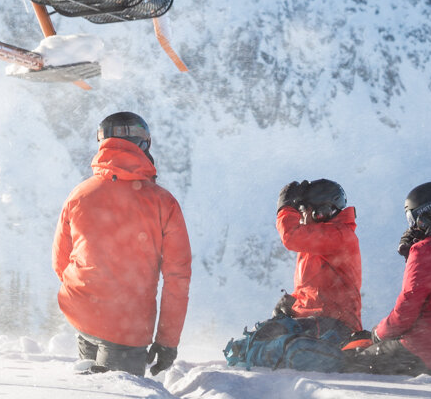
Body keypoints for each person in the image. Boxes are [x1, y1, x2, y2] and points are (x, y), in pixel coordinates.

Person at [52, 111, 191, 377]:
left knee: (90, 389)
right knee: (117, 390)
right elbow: (177, 277)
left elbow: (60, 260)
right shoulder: (163, 203)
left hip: (82, 313)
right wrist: (167, 341)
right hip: (127, 327)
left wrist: (91, 295)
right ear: (144, 144)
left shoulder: (79, 194)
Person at [224, 178, 361, 371]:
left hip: (336, 325)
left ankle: (334, 358)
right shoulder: (318, 237)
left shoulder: (340, 235)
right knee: (250, 343)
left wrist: (286, 208)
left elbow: (291, 236)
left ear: (321, 212)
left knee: (279, 347)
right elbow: (315, 287)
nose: (301, 217)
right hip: (315, 319)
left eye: (304, 210)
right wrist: (294, 302)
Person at [352, 180, 431, 376]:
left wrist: (378, 333)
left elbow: (406, 311)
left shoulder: (426, 251)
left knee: (354, 362)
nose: (413, 227)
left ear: (426, 217)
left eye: (413, 220)